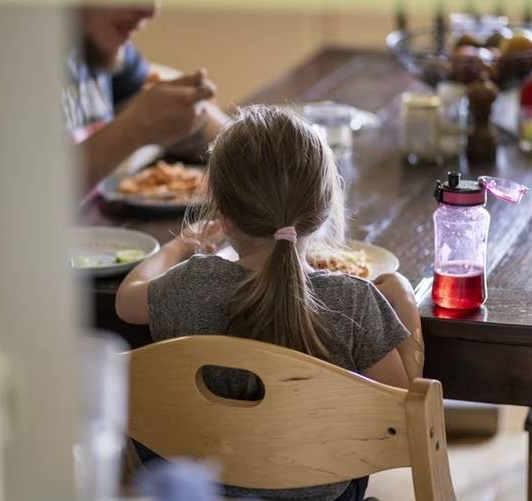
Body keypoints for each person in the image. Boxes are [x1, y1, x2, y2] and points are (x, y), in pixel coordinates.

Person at [116, 105, 425, 501]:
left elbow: (128, 300)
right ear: (324, 208)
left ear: (222, 213)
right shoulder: (355, 302)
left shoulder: (188, 284)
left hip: (201, 491)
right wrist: (401, 296)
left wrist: (180, 244)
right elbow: (403, 412)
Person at [62, 5, 229, 189]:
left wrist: (247, 146)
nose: (151, 10)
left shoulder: (99, 48)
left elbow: (173, 110)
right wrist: (133, 129)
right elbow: (32, 189)